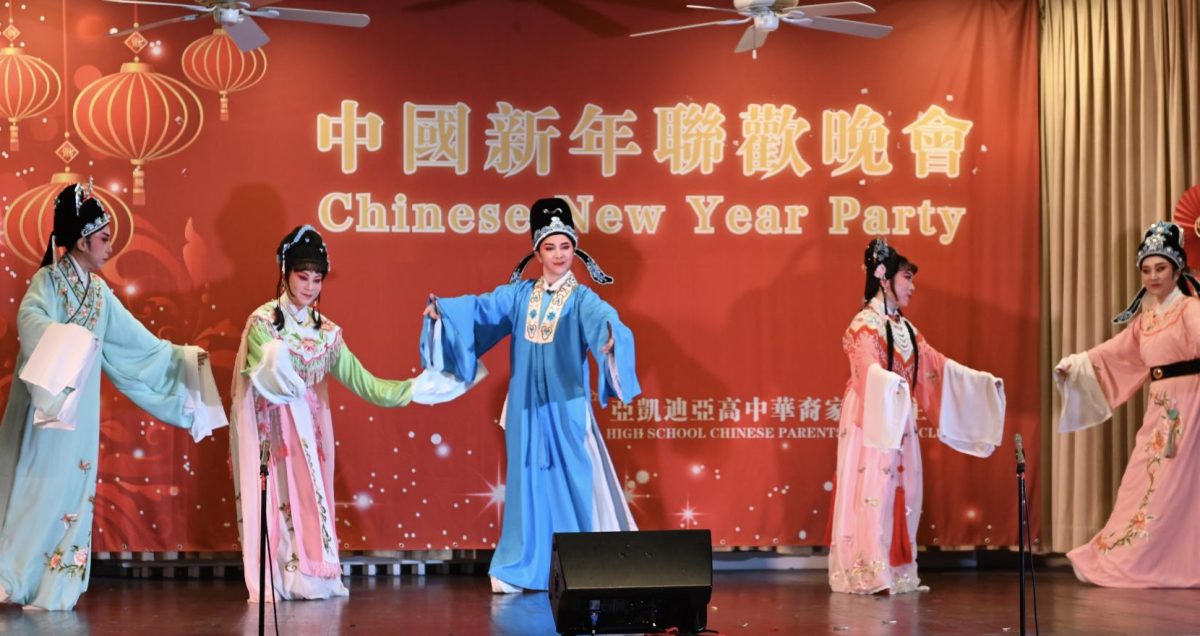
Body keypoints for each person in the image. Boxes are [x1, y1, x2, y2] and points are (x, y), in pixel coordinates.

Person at [0, 181, 225, 611]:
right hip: (46, 410)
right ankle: (13, 576)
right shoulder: (46, 282)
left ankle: (55, 588)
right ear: (82, 239)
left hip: (79, 421)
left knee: (72, 491)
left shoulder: (100, 296)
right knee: (35, 486)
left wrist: (185, 359)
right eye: (103, 239)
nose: (108, 248)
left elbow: (140, 346)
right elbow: (31, 322)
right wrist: (66, 341)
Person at [228, 225, 459, 602]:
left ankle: (311, 573)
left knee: (309, 499)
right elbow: (264, 369)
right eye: (302, 277)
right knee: (278, 504)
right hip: (273, 434)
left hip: (307, 436)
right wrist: (273, 357)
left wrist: (414, 389)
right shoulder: (263, 323)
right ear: (284, 273)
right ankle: (280, 577)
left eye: (317, 279)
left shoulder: (327, 333)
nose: (309, 287)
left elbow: (366, 384)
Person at [420, 197, 640, 593]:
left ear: (576, 249)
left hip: (566, 405)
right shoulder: (520, 296)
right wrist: (445, 312)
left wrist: (609, 337)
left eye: (566, 246)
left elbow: (602, 318)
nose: (559, 255)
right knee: (526, 486)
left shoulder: (582, 298)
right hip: (525, 408)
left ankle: (579, 563)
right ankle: (522, 564)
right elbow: (482, 308)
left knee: (575, 479)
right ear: (537, 252)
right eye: (550, 247)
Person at [828, 237, 1006, 594]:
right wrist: (890, 387)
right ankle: (869, 569)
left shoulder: (906, 329)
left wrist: (980, 383)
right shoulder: (864, 324)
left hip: (899, 415)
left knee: (903, 492)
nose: (912, 286)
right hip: (872, 413)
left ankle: (897, 567)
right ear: (884, 278)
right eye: (906, 277)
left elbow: (935, 365)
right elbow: (867, 368)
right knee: (872, 489)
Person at [1054, 221, 1200, 588]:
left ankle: (1154, 561)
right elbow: (1116, 352)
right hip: (1161, 410)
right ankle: (1124, 553)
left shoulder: (1191, 310)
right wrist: (1079, 362)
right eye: (1146, 269)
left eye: (1161, 268)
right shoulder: (1147, 319)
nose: (1152, 276)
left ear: (1177, 268)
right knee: (1142, 480)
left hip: (1193, 408)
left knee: (1175, 486)